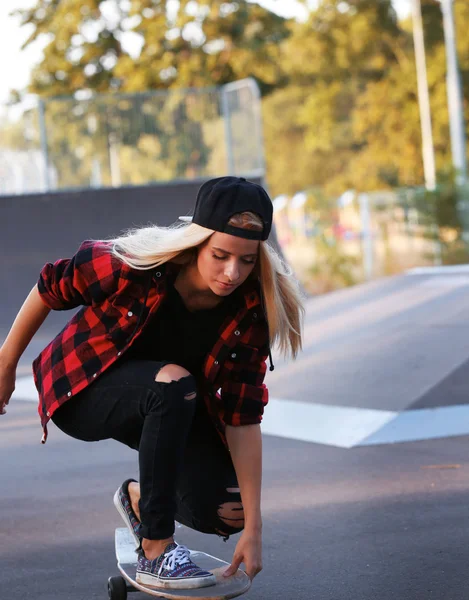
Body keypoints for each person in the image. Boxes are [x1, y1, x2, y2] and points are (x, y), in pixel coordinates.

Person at [0, 176, 304, 590]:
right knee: (173, 384)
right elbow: (50, 286)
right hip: (85, 393)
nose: (232, 272)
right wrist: (5, 364)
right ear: (197, 243)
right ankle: (157, 548)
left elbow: (242, 415)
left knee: (228, 508)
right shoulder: (131, 266)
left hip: (168, 407)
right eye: (220, 255)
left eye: (247, 261)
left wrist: (255, 527)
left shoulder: (250, 311)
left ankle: (140, 499)